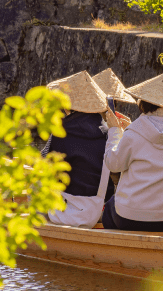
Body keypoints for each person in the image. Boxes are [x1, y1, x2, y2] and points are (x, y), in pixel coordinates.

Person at [102, 73, 163, 231]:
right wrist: (129, 130)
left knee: (110, 208)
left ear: (144, 103)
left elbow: (113, 164)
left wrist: (115, 131)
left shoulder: (135, 132)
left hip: (130, 217)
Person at [42, 70, 115, 228]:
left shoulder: (62, 131)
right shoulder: (109, 132)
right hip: (97, 210)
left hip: (64, 213)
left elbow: (45, 168)